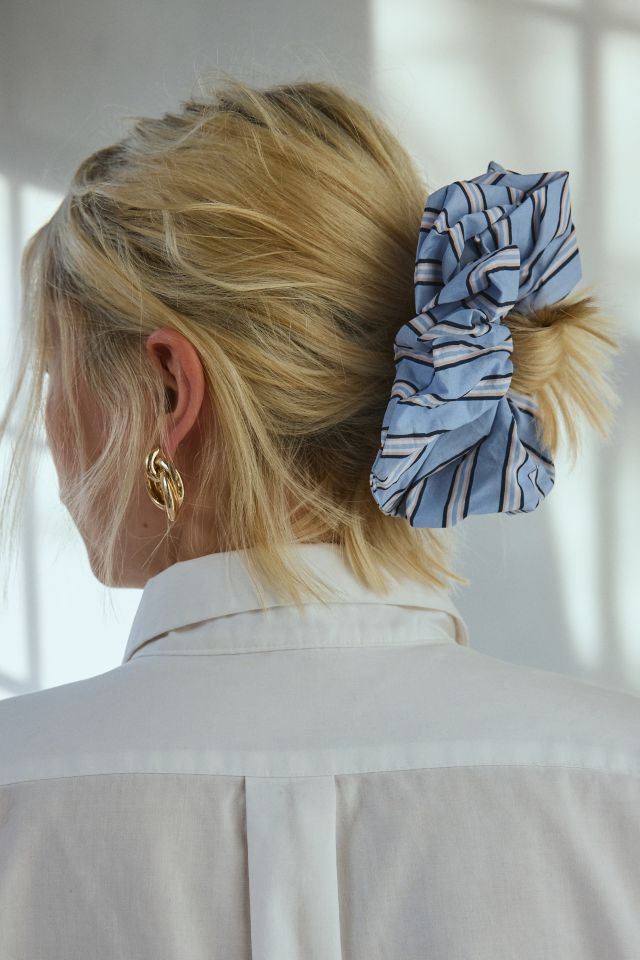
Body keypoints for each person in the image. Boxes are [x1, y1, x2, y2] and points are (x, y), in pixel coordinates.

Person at [0, 73, 638, 960]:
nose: (46, 421)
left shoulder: (17, 796)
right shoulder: (618, 783)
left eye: (53, 370)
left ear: (168, 391)